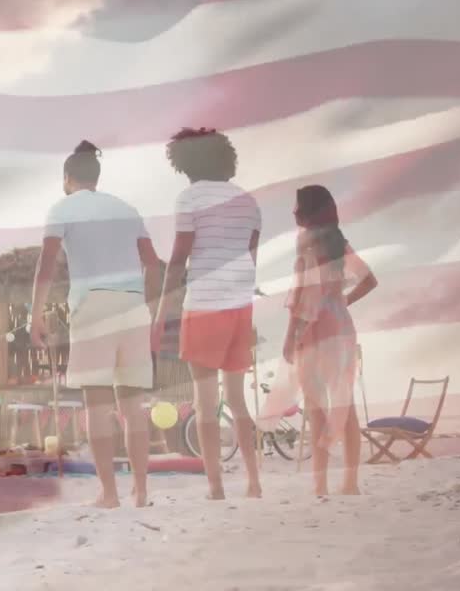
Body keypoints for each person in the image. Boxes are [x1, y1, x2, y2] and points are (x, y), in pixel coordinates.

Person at [30, 140, 161, 509]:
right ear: (97, 176)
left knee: (98, 406)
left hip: (93, 306)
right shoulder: (126, 208)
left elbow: (47, 262)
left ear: (67, 177)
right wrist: (148, 305)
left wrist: (36, 314)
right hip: (134, 306)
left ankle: (109, 493)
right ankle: (142, 491)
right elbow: (152, 263)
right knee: (133, 406)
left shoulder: (62, 208)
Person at [153, 128, 263, 500]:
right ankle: (253, 481)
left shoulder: (190, 199)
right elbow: (251, 257)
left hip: (203, 304)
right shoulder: (249, 202)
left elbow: (179, 260)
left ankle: (215, 486)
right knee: (237, 399)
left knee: (205, 402)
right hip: (239, 304)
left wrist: (161, 314)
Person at [284, 185, 377, 497]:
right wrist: (341, 303)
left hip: (314, 329)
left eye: (297, 206)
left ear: (308, 210)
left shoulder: (305, 241)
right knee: (345, 406)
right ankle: (350, 484)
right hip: (340, 327)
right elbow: (369, 279)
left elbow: (301, 293)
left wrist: (289, 336)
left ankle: (320, 486)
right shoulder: (339, 242)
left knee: (316, 409)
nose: (293, 211)